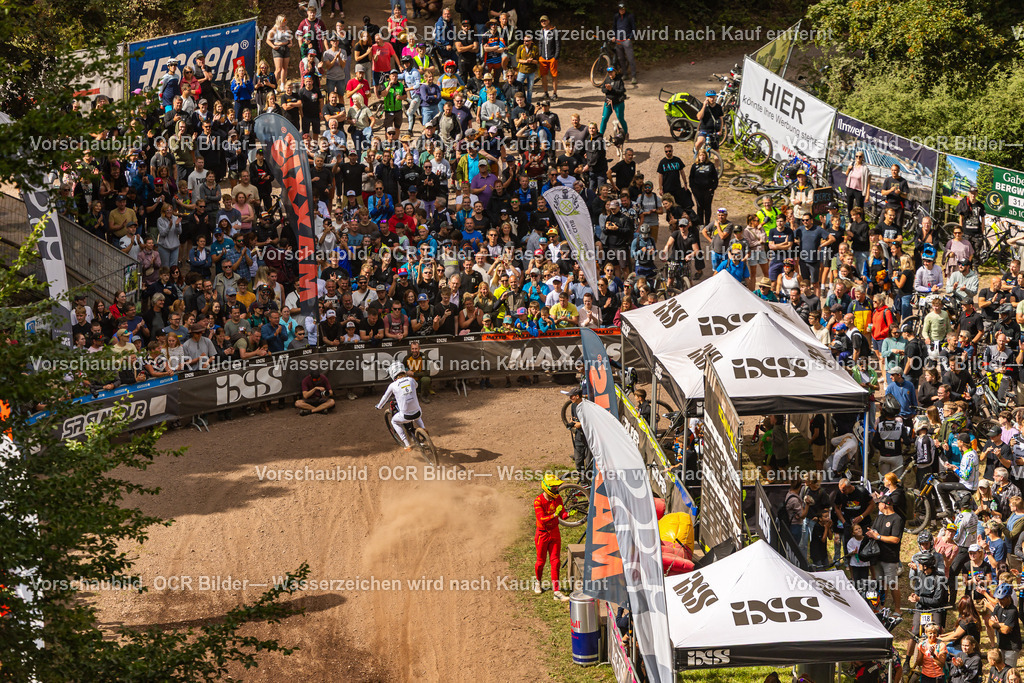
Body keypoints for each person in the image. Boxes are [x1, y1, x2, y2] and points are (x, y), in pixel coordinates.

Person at [533, 473, 570, 601]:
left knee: (556, 561)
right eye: (554, 487)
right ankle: (538, 582)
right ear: (547, 488)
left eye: (557, 487)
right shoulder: (538, 501)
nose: (556, 489)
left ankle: (556, 591)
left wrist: (568, 514)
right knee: (541, 562)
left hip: (555, 532)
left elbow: (563, 514)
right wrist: (555, 514)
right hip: (542, 534)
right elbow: (542, 519)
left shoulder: (558, 498)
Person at [866, 495, 904, 613]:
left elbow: (895, 539)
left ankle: (898, 609)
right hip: (878, 556)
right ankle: (881, 606)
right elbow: (874, 530)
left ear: (886, 504)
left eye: (879, 503)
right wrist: (871, 533)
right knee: (881, 583)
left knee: (892, 584)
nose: (878, 505)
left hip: (890, 558)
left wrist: (878, 537)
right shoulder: (879, 517)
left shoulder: (897, 519)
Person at [375, 361, 426, 450]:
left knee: (394, 422)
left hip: (405, 416)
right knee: (416, 411)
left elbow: (385, 397)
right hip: (418, 413)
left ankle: (407, 444)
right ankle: (423, 428)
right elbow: (416, 386)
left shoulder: (393, 385)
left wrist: (379, 406)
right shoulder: (411, 379)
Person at [981, 582, 1021, 667]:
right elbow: (990, 622)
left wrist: (996, 624)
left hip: (1011, 647)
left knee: (1009, 671)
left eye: (1002, 599)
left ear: (1008, 598)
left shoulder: (1012, 611)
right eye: (998, 598)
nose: (999, 601)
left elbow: (1006, 630)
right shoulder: (998, 607)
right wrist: (1000, 625)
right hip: (1001, 644)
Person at [566, 386, 591, 484]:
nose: (570, 398)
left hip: (588, 438)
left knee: (589, 464)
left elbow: (592, 421)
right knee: (578, 462)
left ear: (577, 396)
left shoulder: (587, 406)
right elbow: (574, 418)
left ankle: (589, 484)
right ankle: (582, 483)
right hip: (578, 437)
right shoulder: (573, 405)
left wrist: (582, 424)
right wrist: (572, 422)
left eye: (571, 396)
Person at [598, 65, 627, 139]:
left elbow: (622, 91)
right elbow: (603, 90)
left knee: (620, 118)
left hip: (618, 103)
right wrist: (607, 89)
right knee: (604, 119)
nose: (610, 74)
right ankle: (600, 136)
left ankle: (626, 134)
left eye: (611, 72)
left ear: (615, 72)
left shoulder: (619, 80)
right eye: (608, 72)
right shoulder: (607, 79)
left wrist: (612, 89)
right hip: (608, 103)